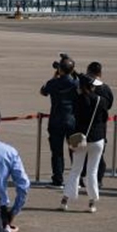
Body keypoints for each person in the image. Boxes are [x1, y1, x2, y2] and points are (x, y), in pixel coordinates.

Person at [61, 73, 112, 213]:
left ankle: (65, 200)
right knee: (92, 171)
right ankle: (92, 202)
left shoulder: (77, 100)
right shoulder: (101, 101)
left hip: (81, 138)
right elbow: (104, 118)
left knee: (75, 169)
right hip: (97, 139)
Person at [40, 56, 78, 189]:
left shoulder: (53, 83)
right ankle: (77, 179)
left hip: (56, 120)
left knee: (57, 152)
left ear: (60, 70)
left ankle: (58, 179)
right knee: (75, 151)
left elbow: (43, 91)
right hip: (72, 120)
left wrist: (55, 76)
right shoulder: (76, 83)